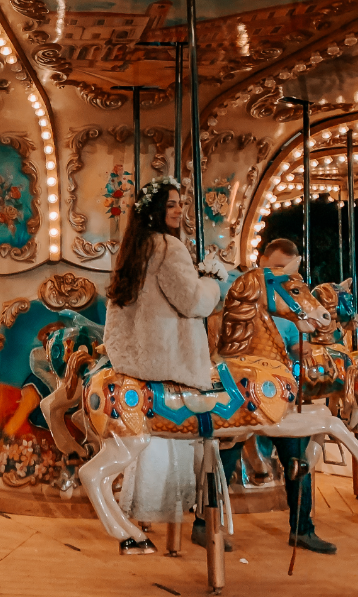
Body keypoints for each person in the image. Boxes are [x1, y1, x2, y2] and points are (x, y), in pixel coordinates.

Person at [192, 238, 337, 555]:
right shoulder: (237, 285)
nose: (281, 274)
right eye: (276, 267)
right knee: (223, 458)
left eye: (286, 269)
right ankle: (204, 523)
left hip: (274, 390)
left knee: (296, 456)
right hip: (240, 388)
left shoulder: (287, 298)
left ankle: (302, 528)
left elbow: (292, 341)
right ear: (260, 261)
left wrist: (308, 346)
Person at [104, 178, 224, 532]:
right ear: (155, 211)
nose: (179, 210)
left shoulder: (133, 249)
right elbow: (193, 302)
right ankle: (202, 516)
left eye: (180, 204)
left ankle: (146, 513)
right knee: (211, 429)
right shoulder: (170, 247)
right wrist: (211, 280)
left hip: (138, 361)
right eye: (171, 204)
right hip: (171, 362)